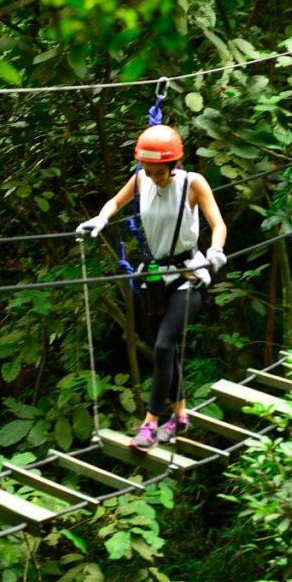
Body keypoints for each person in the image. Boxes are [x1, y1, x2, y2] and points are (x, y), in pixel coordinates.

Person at [76, 124, 227, 450]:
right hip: (155, 277)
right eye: (148, 170)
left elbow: (218, 223)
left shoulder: (193, 183)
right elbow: (115, 203)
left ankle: (151, 423)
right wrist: (100, 219)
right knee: (166, 350)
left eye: (159, 172)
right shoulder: (142, 178)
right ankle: (181, 414)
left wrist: (215, 250)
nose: (153, 177)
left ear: (173, 165)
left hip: (189, 275)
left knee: (161, 347)